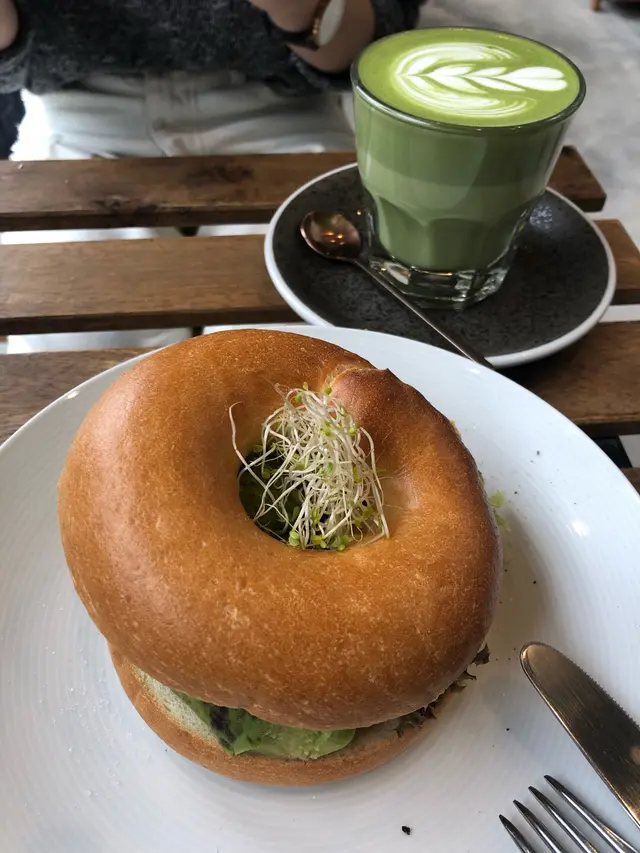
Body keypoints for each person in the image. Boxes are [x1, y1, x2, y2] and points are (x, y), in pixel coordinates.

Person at [0, 0, 423, 353]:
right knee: (72, 355)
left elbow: (379, 45)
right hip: (78, 124)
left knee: (299, 355)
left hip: (288, 111)